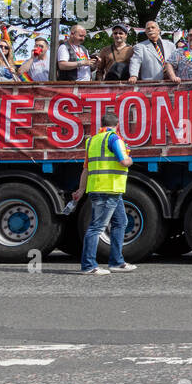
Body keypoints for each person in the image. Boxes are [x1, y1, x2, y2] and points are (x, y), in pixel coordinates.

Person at [71, 110, 136, 275]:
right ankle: (88, 266)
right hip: (109, 189)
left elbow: (85, 169)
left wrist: (81, 189)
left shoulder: (92, 140)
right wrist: (130, 159)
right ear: (117, 125)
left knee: (120, 222)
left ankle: (116, 262)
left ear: (102, 125)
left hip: (100, 189)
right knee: (96, 227)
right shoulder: (114, 138)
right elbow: (123, 161)